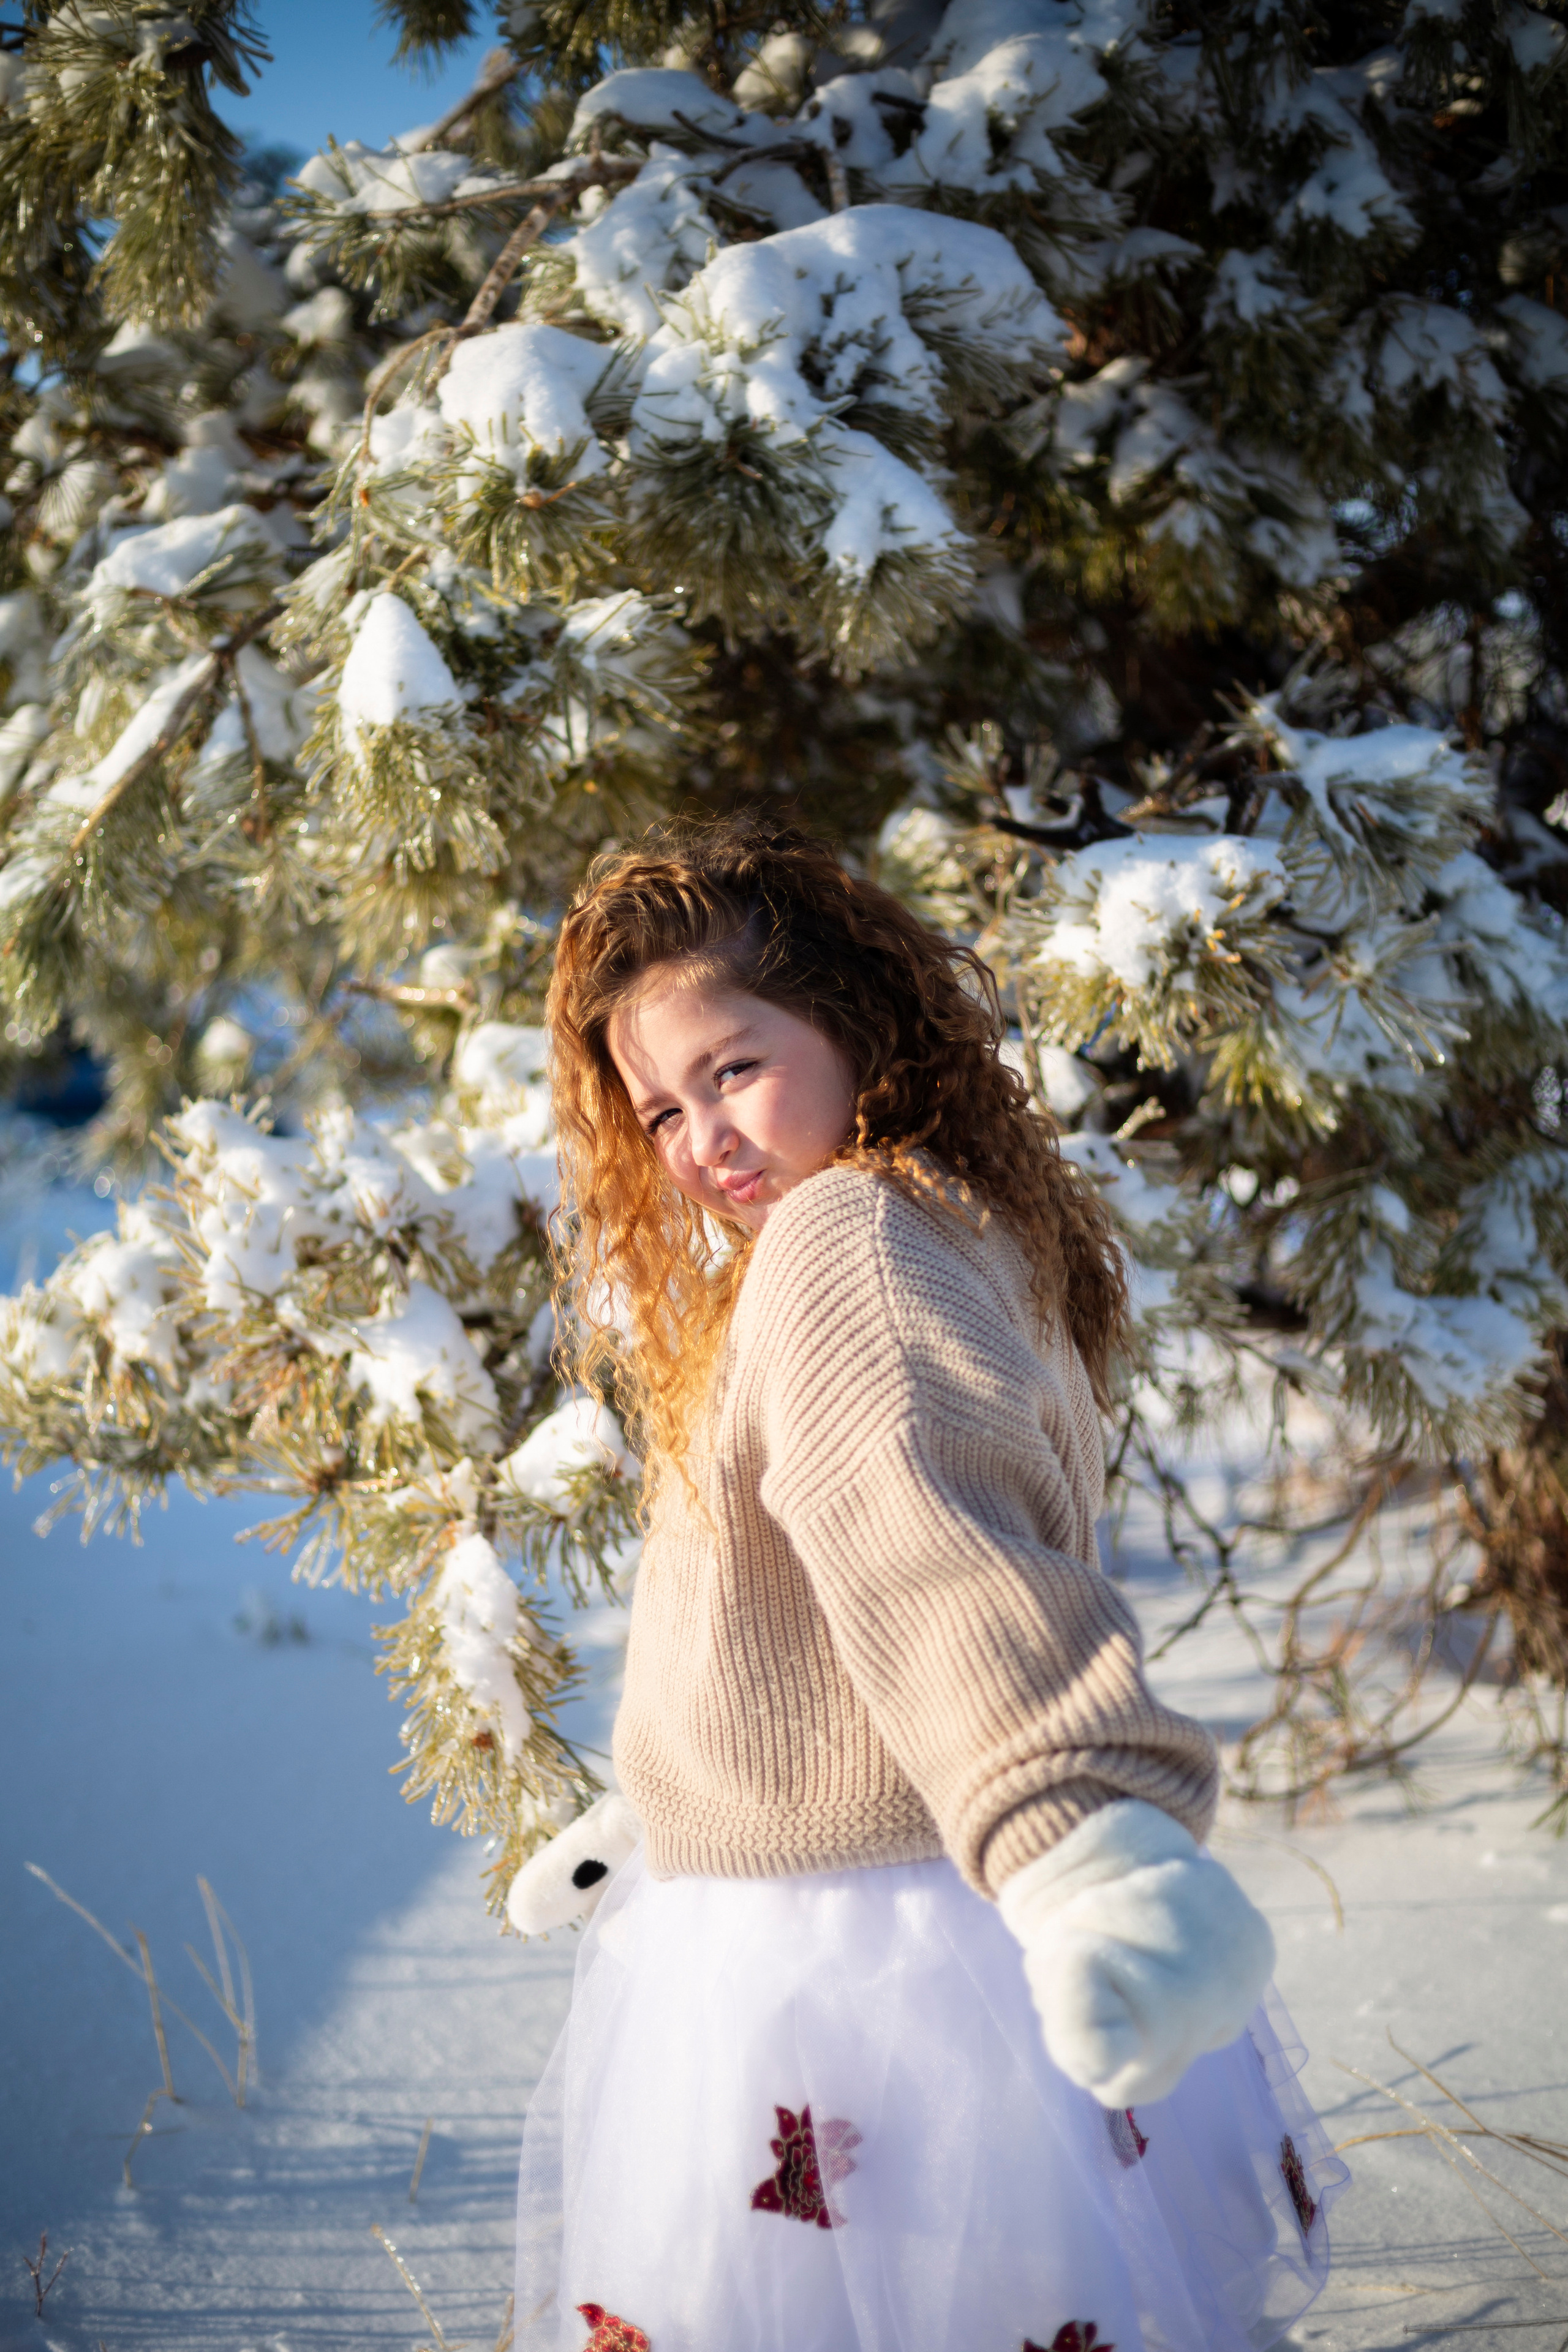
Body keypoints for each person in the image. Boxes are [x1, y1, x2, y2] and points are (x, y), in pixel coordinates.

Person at [509, 822, 1346, 2352]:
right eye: (659, 1107)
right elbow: (805, 1604)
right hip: (856, 1887)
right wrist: (669, 1795)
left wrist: (1080, 1834)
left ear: (851, 1022)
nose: (697, 1135)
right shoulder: (944, 1217)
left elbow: (929, 1547)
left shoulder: (847, 1238)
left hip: (864, 1956)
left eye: (736, 1066)